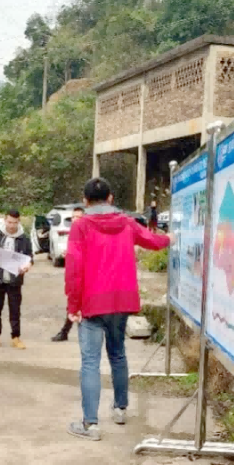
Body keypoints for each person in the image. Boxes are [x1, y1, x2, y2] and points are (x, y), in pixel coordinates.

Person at [65, 177, 171, 441]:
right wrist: (170, 237)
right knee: (118, 354)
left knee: (90, 361)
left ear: (85, 200)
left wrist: (73, 305)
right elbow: (153, 241)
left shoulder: (81, 226)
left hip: (91, 303)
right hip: (121, 302)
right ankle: (120, 409)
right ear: (111, 198)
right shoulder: (126, 222)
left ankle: (91, 424)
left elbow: (74, 269)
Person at [0, 210, 33, 350]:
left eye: (15, 222)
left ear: (18, 222)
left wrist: (27, 265)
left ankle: (16, 337)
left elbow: (29, 257)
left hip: (15, 280)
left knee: (15, 309)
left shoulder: (24, 238)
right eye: (9, 222)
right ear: (4, 220)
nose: (12, 225)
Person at [51, 206, 85, 342]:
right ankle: (65, 332)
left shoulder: (87, 233)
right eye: (73, 217)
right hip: (73, 274)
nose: (75, 220)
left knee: (81, 305)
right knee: (73, 303)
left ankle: (69, 332)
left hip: (85, 274)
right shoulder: (72, 232)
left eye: (78, 217)